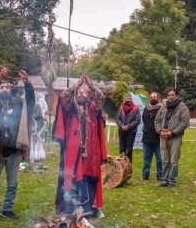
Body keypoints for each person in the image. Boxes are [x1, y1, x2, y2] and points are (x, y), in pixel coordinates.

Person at [0, 67, 35, 222]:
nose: (4, 89)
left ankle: (7, 209)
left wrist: (27, 83)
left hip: (13, 152)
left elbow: (31, 102)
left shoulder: (17, 103)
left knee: (12, 184)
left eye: (7, 87)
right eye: (1, 87)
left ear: (11, 90)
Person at [53, 73, 107, 217]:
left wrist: (90, 86)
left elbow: (101, 98)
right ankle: (70, 208)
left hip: (91, 153)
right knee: (72, 177)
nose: (82, 93)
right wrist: (75, 86)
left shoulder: (94, 108)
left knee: (88, 179)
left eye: (85, 92)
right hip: (72, 151)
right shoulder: (70, 107)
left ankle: (87, 208)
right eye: (80, 91)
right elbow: (64, 97)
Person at [154, 88, 190, 187]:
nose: (170, 97)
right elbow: (156, 121)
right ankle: (164, 179)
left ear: (177, 96)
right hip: (163, 136)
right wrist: (159, 131)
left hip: (175, 137)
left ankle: (172, 180)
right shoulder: (163, 107)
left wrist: (173, 132)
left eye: (172, 95)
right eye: (169, 95)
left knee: (173, 160)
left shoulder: (182, 108)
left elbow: (184, 123)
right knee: (165, 160)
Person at [141, 91, 163, 181]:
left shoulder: (162, 109)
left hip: (158, 138)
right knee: (146, 158)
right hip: (147, 138)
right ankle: (145, 175)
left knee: (160, 159)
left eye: (154, 97)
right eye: (151, 97)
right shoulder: (146, 108)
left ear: (158, 98)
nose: (152, 99)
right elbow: (144, 119)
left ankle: (160, 175)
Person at [115, 93, 140, 163]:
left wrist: (128, 127)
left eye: (129, 98)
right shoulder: (121, 108)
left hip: (131, 132)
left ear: (131, 99)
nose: (127, 100)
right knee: (122, 149)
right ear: (124, 100)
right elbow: (117, 118)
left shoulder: (136, 108)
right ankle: (122, 165)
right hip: (121, 131)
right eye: (126, 99)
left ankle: (129, 166)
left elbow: (138, 120)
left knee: (129, 150)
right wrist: (121, 125)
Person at [29, 94, 46, 163]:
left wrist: (34, 118)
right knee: (32, 142)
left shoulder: (37, 105)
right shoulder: (28, 104)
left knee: (37, 142)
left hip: (37, 125)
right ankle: (32, 156)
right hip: (30, 125)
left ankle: (37, 156)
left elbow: (39, 116)